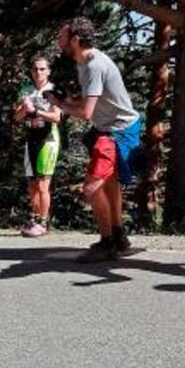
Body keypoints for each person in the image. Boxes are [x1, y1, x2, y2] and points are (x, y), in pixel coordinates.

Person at [48, 17, 142, 263]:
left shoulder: (94, 65)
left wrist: (59, 104)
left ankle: (107, 242)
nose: (59, 40)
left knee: (91, 188)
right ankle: (119, 236)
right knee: (109, 184)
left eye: (62, 36)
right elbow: (90, 102)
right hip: (109, 129)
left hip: (117, 131)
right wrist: (66, 100)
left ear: (76, 40)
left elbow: (85, 114)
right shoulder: (84, 61)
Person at [14, 56, 62, 238]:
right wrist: (24, 110)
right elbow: (16, 117)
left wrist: (36, 111)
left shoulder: (54, 90)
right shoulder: (26, 89)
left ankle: (44, 222)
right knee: (32, 185)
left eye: (42, 69)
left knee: (43, 184)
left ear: (48, 71)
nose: (38, 72)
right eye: (35, 69)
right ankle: (34, 219)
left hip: (48, 139)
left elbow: (57, 117)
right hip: (31, 139)